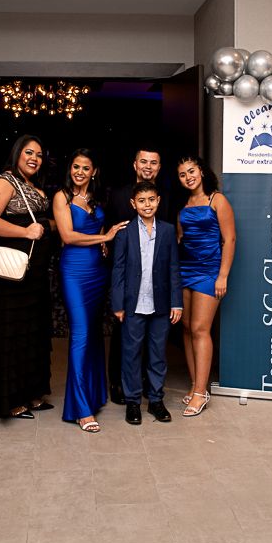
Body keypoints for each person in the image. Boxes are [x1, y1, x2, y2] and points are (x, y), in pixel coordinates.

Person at [52, 149, 129, 432]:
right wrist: (104, 236)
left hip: (98, 271)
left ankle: (94, 394)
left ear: (93, 171)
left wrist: (104, 244)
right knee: (81, 335)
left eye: (85, 168)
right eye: (75, 167)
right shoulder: (62, 196)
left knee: (95, 333)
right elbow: (68, 236)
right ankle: (81, 408)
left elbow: (96, 232)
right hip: (74, 271)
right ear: (70, 168)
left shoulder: (95, 198)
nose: (80, 172)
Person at [0, 134, 54, 419]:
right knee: (11, 335)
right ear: (17, 154)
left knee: (32, 334)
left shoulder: (31, 185)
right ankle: (10, 401)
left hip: (33, 275)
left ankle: (31, 394)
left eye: (38, 154)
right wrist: (25, 232)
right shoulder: (4, 182)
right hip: (12, 277)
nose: (34, 158)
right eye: (28, 152)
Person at [111, 180, 182, 425]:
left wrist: (177, 302)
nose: (147, 204)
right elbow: (118, 269)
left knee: (157, 354)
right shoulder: (124, 232)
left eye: (151, 199)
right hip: (133, 304)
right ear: (133, 204)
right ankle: (132, 402)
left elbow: (174, 268)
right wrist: (118, 303)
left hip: (161, 303)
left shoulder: (168, 230)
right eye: (141, 201)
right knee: (131, 354)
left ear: (158, 200)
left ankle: (155, 400)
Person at [104, 146, 168, 404]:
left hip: (156, 277)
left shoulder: (166, 196)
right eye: (144, 161)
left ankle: (145, 382)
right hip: (127, 276)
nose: (148, 166)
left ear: (159, 167)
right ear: (135, 164)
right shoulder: (119, 195)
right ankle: (118, 382)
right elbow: (108, 228)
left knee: (152, 335)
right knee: (123, 333)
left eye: (154, 162)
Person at [176, 155, 236, 417]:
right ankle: (195, 386)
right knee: (187, 329)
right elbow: (181, 239)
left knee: (201, 329)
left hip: (209, 272)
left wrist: (222, 276)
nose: (188, 177)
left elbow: (230, 239)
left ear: (201, 172)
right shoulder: (185, 205)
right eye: (182, 174)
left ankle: (201, 392)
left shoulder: (217, 200)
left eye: (191, 171)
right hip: (185, 270)